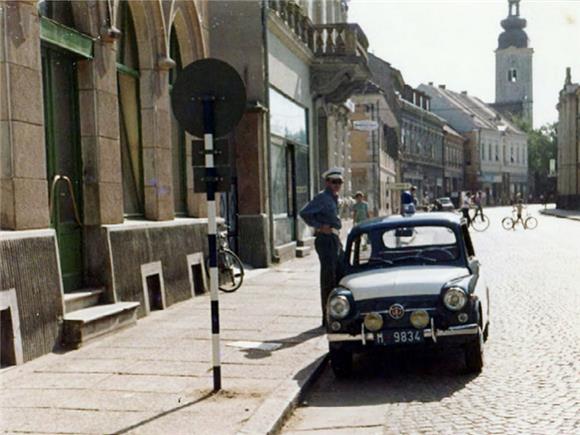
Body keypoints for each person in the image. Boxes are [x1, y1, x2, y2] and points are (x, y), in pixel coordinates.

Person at [299, 167, 345, 326]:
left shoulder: (333, 198)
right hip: (325, 239)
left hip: (333, 237)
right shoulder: (322, 197)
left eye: (339, 182)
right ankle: (327, 317)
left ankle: (335, 312)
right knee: (328, 278)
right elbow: (304, 213)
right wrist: (318, 226)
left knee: (337, 274)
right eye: (334, 182)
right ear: (327, 182)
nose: (337, 185)